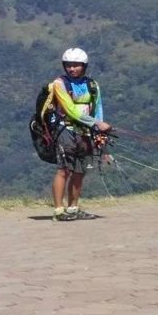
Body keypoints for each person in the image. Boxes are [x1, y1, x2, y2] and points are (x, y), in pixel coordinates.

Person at [40, 47, 111, 221]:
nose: (72, 69)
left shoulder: (92, 85)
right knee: (64, 169)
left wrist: (99, 134)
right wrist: (96, 123)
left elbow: (97, 109)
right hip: (66, 129)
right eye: (69, 65)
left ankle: (73, 208)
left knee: (80, 171)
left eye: (76, 66)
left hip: (85, 132)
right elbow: (70, 110)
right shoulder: (59, 84)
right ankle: (58, 210)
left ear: (84, 66)